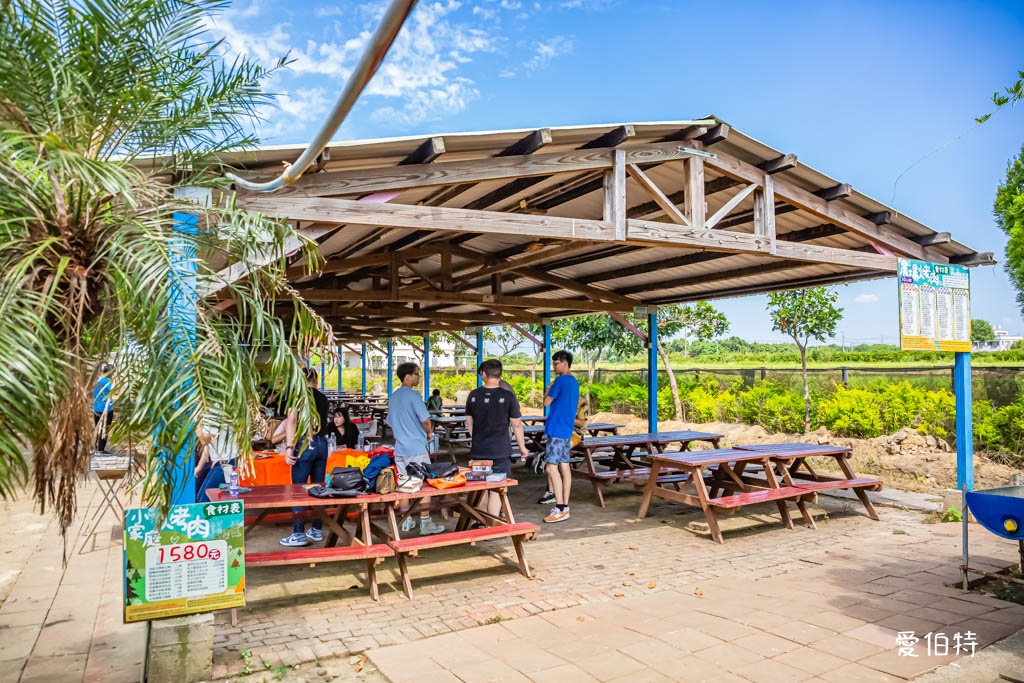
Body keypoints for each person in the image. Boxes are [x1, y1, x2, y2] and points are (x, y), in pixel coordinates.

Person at [387, 363, 445, 536]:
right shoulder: (414, 395)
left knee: (404, 484)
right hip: (416, 447)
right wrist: (429, 433)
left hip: (400, 448)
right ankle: (425, 522)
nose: (418, 377)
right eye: (416, 374)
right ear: (407, 377)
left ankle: (406, 520)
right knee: (424, 484)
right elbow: (426, 420)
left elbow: (390, 422)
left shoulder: (393, 397)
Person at [465, 359, 529, 517]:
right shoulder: (508, 396)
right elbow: (517, 425)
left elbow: (469, 422)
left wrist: (477, 438)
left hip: (479, 450)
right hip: (501, 450)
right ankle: (491, 523)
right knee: (497, 487)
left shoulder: (473, 395)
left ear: (483, 374)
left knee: (480, 486)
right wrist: (522, 447)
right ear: (501, 375)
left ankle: (481, 521)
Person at [280, 367, 332, 547]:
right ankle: (317, 529)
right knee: (318, 488)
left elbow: (292, 422)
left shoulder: (298, 396)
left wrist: (289, 447)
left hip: (304, 443)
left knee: (298, 489)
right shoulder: (323, 398)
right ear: (315, 379)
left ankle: (298, 533)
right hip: (322, 443)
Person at [541, 350, 580, 523]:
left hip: (556, 429)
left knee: (551, 467)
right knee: (564, 466)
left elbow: (546, 402)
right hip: (566, 430)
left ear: (565, 363)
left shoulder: (560, 381)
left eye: (556, 363)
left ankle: (560, 507)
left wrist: (548, 388)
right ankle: (565, 506)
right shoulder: (574, 382)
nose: (554, 366)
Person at [538, 391, 588, 506]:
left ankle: (557, 498)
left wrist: (563, 418)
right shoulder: (558, 399)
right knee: (553, 461)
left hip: (574, 434)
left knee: (554, 460)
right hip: (558, 432)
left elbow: (581, 423)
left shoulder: (580, 401)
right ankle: (552, 493)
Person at [195, 407, 239, 503]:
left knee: (204, 500)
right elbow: (207, 447)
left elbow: (205, 440)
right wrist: (199, 467)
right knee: (202, 496)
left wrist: (198, 427)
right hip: (223, 463)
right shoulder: (211, 410)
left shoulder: (215, 410)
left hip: (227, 463)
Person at [92, 363, 115, 452]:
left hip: (96, 408)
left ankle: (95, 447)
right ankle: (101, 449)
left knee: (98, 428)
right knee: (104, 429)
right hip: (106, 409)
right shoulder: (107, 382)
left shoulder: (98, 380)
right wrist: (116, 382)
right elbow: (116, 392)